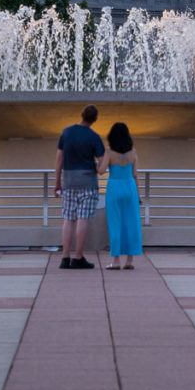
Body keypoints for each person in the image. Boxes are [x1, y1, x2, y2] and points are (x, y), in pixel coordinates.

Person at [54, 104, 105, 269]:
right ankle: (78, 257)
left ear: (81, 115)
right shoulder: (94, 137)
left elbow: (59, 158)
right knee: (82, 219)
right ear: (94, 120)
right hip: (88, 183)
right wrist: (98, 169)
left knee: (68, 219)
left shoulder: (66, 132)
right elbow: (102, 160)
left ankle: (64, 257)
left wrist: (57, 183)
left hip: (68, 181)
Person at [98, 122, 143, 270]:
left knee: (115, 223)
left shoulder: (109, 152)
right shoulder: (133, 152)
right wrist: (138, 195)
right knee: (132, 223)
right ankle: (129, 261)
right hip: (130, 187)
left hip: (115, 187)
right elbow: (135, 175)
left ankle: (116, 261)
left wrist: (95, 163)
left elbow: (101, 171)